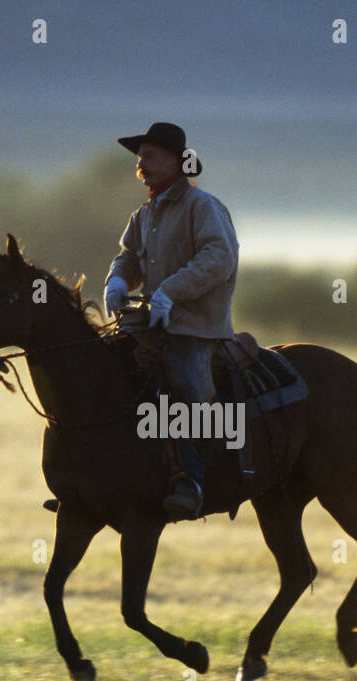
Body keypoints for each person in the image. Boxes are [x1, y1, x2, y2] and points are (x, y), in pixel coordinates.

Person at [104, 122, 240, 519]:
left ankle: (192, 481)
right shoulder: (144, 214)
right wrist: (116, 279)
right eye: (139, 157)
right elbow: (128, 257)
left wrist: (170, 292)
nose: (140, 164)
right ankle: (97, 475)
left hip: (194, 326)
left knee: (187, 389)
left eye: (149, 155)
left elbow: (219, 257)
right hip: (148, 323)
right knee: (103, 374)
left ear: (176, 162)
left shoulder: (204, 206)